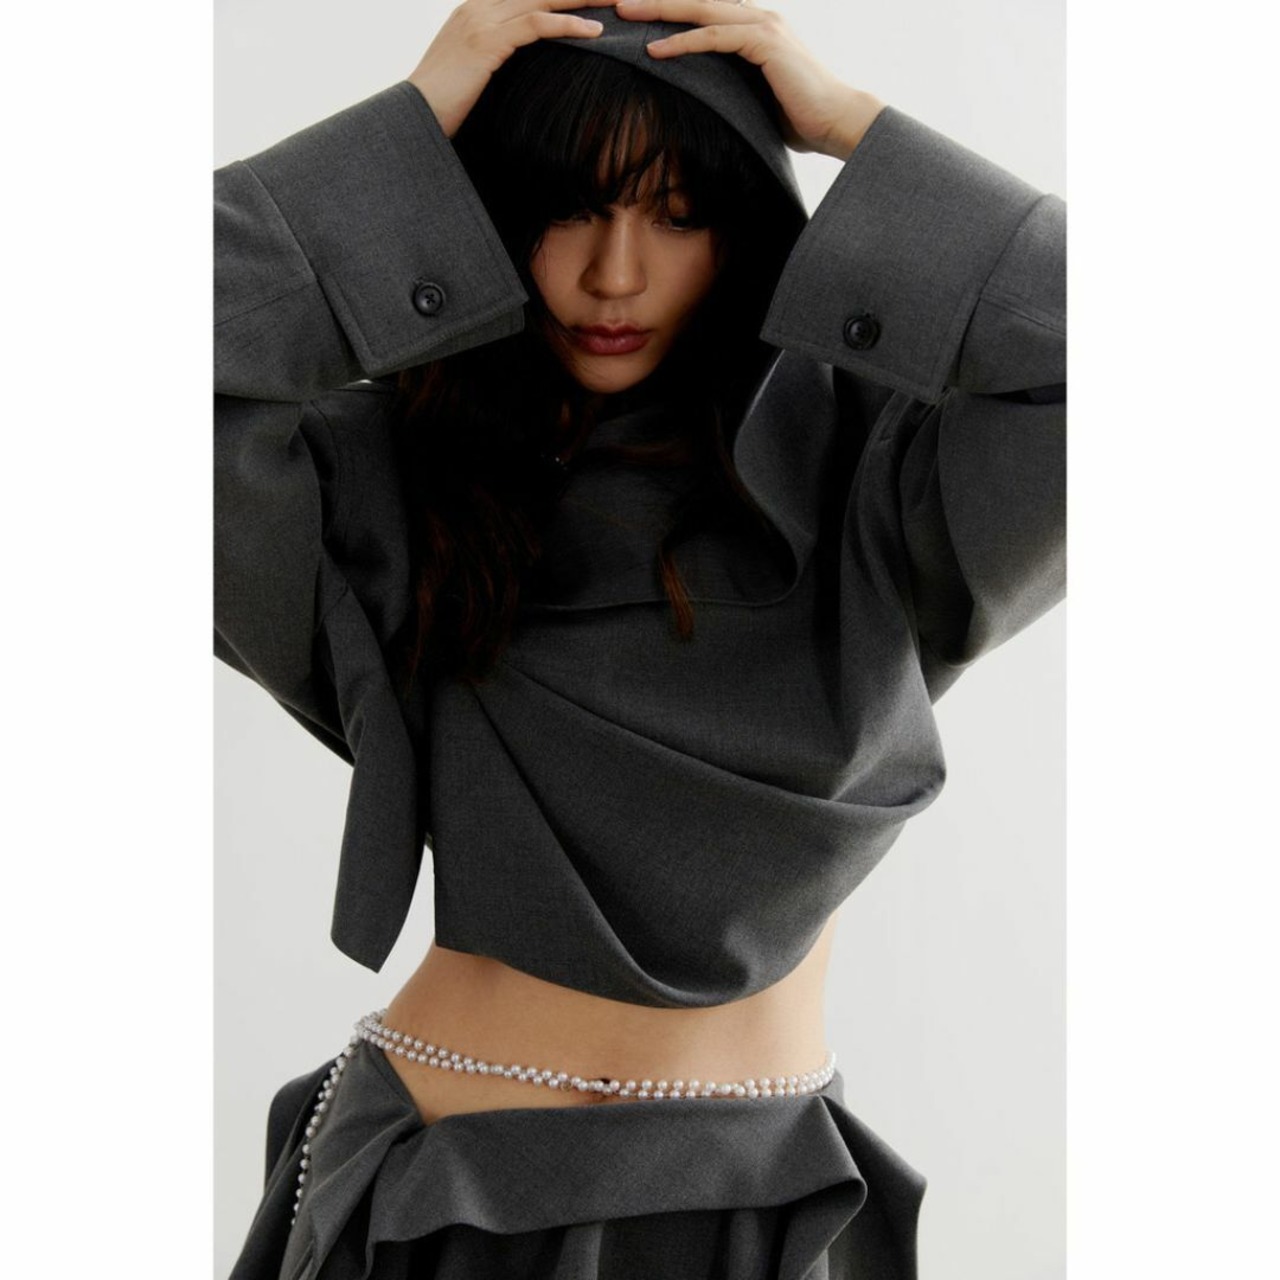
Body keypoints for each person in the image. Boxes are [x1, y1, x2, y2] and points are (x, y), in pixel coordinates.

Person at [215, 1, 1065, 1276]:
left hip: (764, 1206)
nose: (613, 273)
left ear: (743, 225)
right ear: (487, 212)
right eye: (565, 208)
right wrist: (411, 125)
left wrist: (847, 124)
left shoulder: (868, 486)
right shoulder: (392, 488)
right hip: (450, 1199)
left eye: (676, 213)